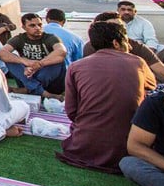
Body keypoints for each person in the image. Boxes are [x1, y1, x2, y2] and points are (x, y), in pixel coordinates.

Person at [58, 19, 156, 173]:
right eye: (127, 41)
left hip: (82, 147)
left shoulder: (76, 67)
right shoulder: (138, 62)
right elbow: (151, 87)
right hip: (128, 148)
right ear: (117, 43)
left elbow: (71, 111)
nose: (129, 46)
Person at [83, 12, 164, 83]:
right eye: (113, 27)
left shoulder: (137, 47)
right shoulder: (91, 47)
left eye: (121, 26)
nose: (119, 30)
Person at [0, 13, 67, 100]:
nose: (37, 28)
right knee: (10, 59)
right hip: (28, 74)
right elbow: (2, 53)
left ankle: (28, 90)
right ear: (24, 27)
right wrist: (25, 62)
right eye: (32, 25)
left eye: (39, 25)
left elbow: (61, 51)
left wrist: (40, 64)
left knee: (58, 61)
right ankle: (44, 93)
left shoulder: (50, 38)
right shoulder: (19, 38)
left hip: (47, 77)